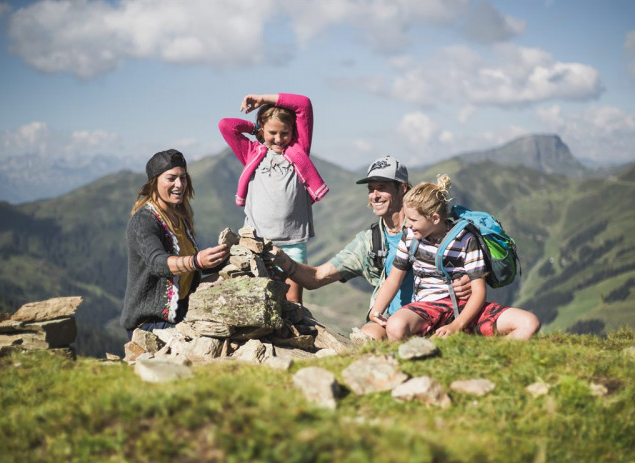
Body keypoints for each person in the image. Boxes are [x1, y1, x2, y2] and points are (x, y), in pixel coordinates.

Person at [272, 155, 471, 340]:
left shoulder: (431, 224)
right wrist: (283, 260)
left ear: (402, 188)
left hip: (440, 315)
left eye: (382, 187)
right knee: (366, 338)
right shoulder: (369, 242)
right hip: (388, 321)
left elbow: (472, 259)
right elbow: (316, 277)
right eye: (370, 189)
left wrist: (467, 280)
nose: (374, 195)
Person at [369, 174, 540, 341]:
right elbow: (393, 280)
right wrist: (376, 311)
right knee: (395, 326)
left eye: (413, 220)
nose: (407, 225)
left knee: (529, 323)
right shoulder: (410, 236)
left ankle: (486, 353)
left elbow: (479, 291)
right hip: (426, 308)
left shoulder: (466, 239)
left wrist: (456, 325)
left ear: (435, 218)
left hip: (464, 309)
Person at [218, 93, 328, 304]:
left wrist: (263, 99)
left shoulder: (299, 151)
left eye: (285, 133)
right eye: (272, 133)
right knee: (258, 301)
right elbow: (226, 126)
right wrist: (254, 129)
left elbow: (303, 104)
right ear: (262, 130)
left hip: (292, 243)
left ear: (293, 131)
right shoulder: (251, 152)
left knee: (293, 303)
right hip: (257, 242)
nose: (278, 139)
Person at [120, 149, 230, 337]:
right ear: (154, 182)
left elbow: (193, 267)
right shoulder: (143, 220)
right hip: (150, 324)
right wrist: (197, 261)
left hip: (180, 313)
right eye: (171, 178)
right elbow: (158, 263)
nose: (179, 185)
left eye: (183, 178)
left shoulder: (180, 217)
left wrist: (228, 257)